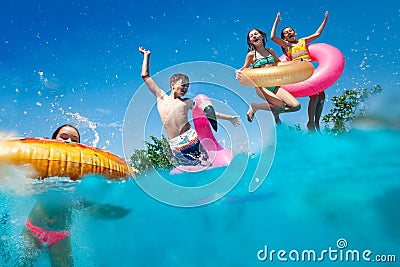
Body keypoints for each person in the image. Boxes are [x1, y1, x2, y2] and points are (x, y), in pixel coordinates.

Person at [19, 124, 130, 267]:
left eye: (74, 139)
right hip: (34, 229)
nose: (69, 141)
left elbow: (82, 203)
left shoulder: (81, 177)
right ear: (54, 140)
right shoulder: (42, 168)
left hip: (60, 236)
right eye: (64, 137)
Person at [139, 47, 240, 166]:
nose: (185, 88)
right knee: (192, 173)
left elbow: (207, 114)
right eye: (183, 85)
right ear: (172, 84)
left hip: (192, 139)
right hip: (176, 145)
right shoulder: (161, 97)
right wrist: (146, 55)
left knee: (206, 166)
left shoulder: (186, 102)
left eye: (187, 86)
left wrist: (229, 118)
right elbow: (145, 76)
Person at [271, 11, 329, 132]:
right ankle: (310, 122)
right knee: (314, 95)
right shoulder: (287, 45)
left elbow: (317, 34)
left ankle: (316, 122)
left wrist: (324, 22)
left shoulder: (303, 41)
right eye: (286, 33)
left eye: (290, 31)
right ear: (284, 38)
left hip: (310, 70)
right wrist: (276, 22)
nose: (289, 33)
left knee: (322, 95)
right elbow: (273, 37)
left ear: (295, 33)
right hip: (300, 72)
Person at [236, 28, 301, 124]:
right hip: (262, 87)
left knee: (296, 106)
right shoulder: (251, 55)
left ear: (262, 36)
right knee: (280, 105)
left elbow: (278, 63)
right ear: (251, 41)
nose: (254, 36)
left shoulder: (270, 51)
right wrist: (238, 72)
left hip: (274, 85)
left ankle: (275, 112)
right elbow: (244, 68)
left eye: (256, 34)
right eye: (251, 36)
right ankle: (255, 106)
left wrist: (292, 65)